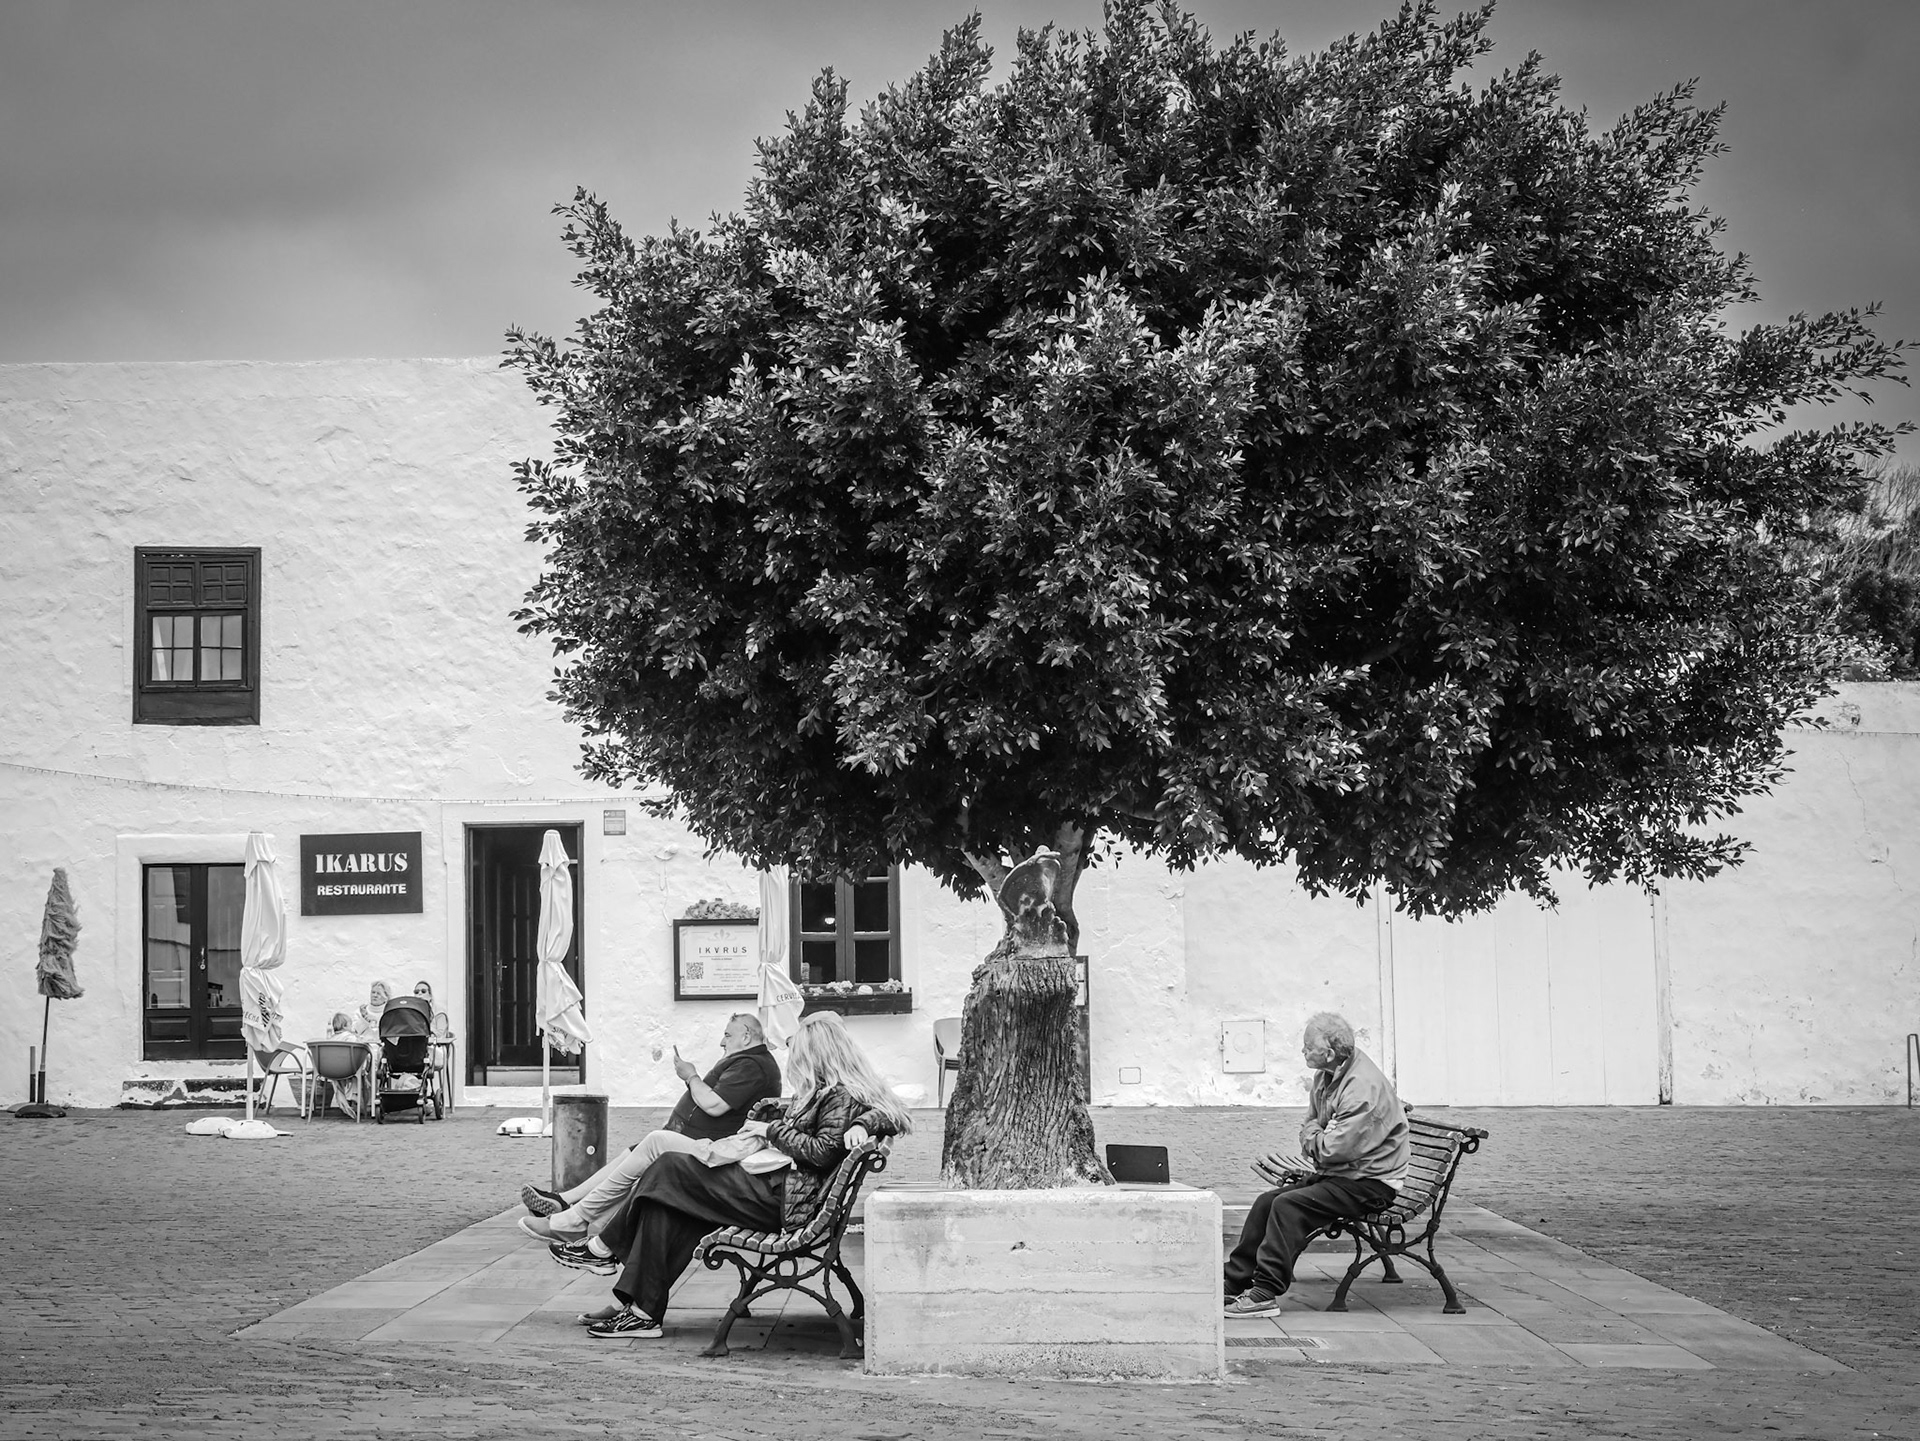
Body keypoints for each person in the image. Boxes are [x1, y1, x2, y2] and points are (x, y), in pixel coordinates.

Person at [575, 1010, 909, 1338]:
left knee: (668, 1167)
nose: (794, 1061)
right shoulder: (830, 1090)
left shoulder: (840, 1095)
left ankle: (605, 1248)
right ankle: (640, 1311)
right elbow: (886, 1113)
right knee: (668, 1203)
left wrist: (772, 1130)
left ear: (818, 1055)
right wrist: (865, 1122)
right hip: (773, 1190)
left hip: (781, 1202)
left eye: (799, 1054)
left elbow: (822, 1152)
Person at [516, 1013, 781, 1259]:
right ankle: (568, 1204)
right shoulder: (750, 1063)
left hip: (718, 1153)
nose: (722, 1041)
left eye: (728, 1035)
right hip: (708, 1145)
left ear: (746, 1036)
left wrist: (691, 1076)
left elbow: (714, 1104)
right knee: (636, 1153)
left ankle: (574, 1220)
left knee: (654, 1143)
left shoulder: (751, 1064)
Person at [1223, 1011, 1409, 1316]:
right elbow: (1314, 1129)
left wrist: (1315, 1135)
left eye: (1308, 1046)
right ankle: (1233, 1283)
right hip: (1344, 1175)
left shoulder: (1360, 1088)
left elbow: (1328, 1150)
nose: (1303, 1051)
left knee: (1288, 1206)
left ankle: (1264, 1294)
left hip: (1371, 1183)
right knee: (1266, 1202)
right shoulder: (1327, 1075)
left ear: (1330, 1053)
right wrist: (1317, 1134)